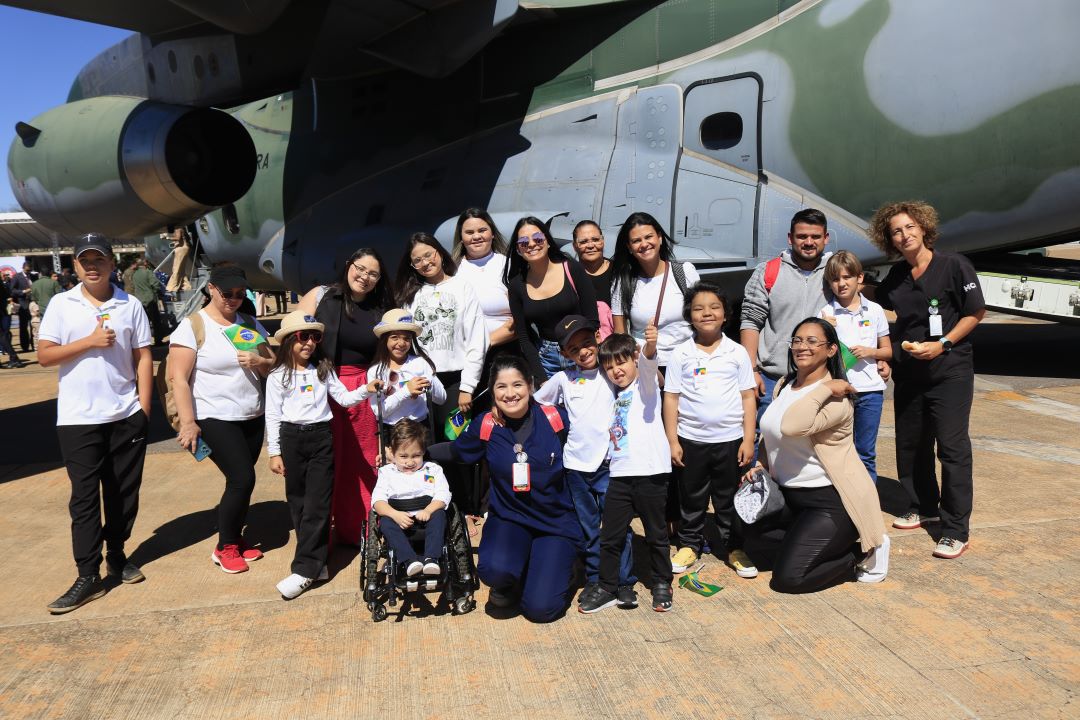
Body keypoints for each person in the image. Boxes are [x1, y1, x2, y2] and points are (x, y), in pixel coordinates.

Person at [37, 234, 153, 613]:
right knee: (84, 499)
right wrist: (88, 341)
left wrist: (144, 410)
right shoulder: (61, 304)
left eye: (98, 259)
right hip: (77, 418)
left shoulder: (130, 304)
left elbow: (143, 358)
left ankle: (117, 555)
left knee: (122, 494)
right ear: (74, 266)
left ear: (111, 264)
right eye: (84, 260)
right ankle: (87, 574)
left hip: (124, 414)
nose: (92, 266)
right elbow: (44, 356)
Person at [869, 201, 985, 559]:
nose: (904, 236)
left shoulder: (953, 265)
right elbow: (877, 299)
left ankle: (955, 528)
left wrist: (943, 344)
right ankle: (923, 505)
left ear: (923, 227)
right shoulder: (899, 276)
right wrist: (844, 282)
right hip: (910, 371)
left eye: (909, 228)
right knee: (911, 444)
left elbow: (975, 312)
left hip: (949, 370)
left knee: (951, 448)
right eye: (896, 232)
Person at [429, 355, 581, 622]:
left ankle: (562, 567)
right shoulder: (487, 425)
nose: (510, 394)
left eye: (517, 385)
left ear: (530, 386)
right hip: (510, 520)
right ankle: (514, 579)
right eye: (502, 387)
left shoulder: (555, 419)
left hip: (555, 523)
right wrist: (415, 455)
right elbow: (455, 451)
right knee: (494, 570)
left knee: (540, 610)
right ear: (492, 391)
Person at [744, 318, 889, 593]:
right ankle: (814, 542)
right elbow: (772, 430)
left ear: (831, 350)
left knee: (788, 579)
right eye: (797, 340)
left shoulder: (837, 397)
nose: (802, 347)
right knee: (749, 530)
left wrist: (824, 388)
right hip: (790, 497)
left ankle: (858, 556)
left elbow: (792, 426)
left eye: (812, 342)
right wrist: (761, 463)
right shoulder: (785, 384)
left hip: (830, 503)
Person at [169, 264, 275, 574]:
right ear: (211, 289)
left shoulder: (249, 324)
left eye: (240, 294)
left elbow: (271, 364)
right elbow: (179, 378)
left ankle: (236, 540)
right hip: (213, 416)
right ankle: (225, 546)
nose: (233, 299)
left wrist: (260, 360)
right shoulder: (193, 326)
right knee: (243, 478)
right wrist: (188, 422)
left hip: (252, 415)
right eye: (227, 293)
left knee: (239, 481)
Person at [265, 311, 378, 598]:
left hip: (320, 438)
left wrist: (365, 389)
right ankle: (318, 561)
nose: (310, 343)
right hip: (292, 439)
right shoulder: (278, 375)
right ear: (289, 340)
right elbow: (273, 416)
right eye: (303, 337)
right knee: (299, 503)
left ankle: (304, 569)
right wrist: (274, 451)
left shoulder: (323, 370)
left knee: (318, 503)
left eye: (315, 337)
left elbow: (343, 399)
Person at [535, 315, 636, 608]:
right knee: (589, 530)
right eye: (574, 347)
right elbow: (538, 403)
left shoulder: (611, 373)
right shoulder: (562, 379)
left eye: (587, 342)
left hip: (610, 465)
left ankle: (625, 581)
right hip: (576, 469)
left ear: (598, 339)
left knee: (619, 527)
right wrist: (557, 422)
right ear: (564, 353)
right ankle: (596, 580)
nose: (583, 350)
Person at [297, 248, 394, 545]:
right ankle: (320, 536)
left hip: (362, 388)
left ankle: (361, 530)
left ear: (379, 280)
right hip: (323, 383)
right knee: (326, 462)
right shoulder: (321, 295)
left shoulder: (381, 308)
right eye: (360, 268)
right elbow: (294, 335)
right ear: (348, 265)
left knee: (363, 461)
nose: (364, 277)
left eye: (373, 273)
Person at [664, 282, 758, 579]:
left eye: (714, 307)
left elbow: (747, 396)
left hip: (730, 441)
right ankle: (689, 543)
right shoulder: (681, 354)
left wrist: (747, 438)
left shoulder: (737, 352)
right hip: (690, 439)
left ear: (726, 314)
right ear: (689, 315)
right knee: (691, 498)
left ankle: (734, 547)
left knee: (729, 497)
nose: (707, 313)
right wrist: (671, 440)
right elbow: (672, 398)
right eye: (698, 308)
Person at [580, 329, 675, 614]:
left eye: (621, 363)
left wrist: (650, 346)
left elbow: (648, 364)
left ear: (633, 359)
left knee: (656, 533)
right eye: (609, 367)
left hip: (650, 473)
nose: (615, 371)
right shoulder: (615, 396)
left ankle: (661, 583)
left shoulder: (646, 388)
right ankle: (608, 586)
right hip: (619, 475)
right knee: (611, 536)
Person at [740, 209, 833, 421]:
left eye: (816, 236)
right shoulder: (768, 271)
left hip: (820, 379)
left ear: (826, 238)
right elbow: (750, 321)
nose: (809, 242)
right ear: (790, 238)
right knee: (763, 442)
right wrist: (751, 371)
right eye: (802, 236)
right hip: (772, 379)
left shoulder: (836, 273)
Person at [397, 231, 487, 419]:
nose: (425, 262)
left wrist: (467, 387)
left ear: (439, 252)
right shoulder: (409, 296)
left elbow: (477, 340)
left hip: (456, 380)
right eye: (417, 260)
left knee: (454, 441)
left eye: (429, 255)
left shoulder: (462, 287)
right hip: (422, 380)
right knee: (427, 442)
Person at [819, 251, 892, 483]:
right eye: (835, 279)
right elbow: (816, 355)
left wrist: (872, 352)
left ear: (859, 278)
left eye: (847, 277)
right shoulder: (825, 313)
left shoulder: (875, 310)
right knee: (836, 451)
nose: (842, 284)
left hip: (870, 392)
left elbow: (888, 350)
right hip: (838, 391)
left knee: (865, 453)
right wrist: (824, 329)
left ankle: (866, 504)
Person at [504, 216, 599, 382]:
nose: (532, 244)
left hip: (582, 352)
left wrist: (583, 351)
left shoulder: (571, 268)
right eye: (524, 242)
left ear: (547, 241)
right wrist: (541, 377)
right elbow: (524, 336)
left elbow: (592, 318)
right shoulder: (516, 285)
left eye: (538, 238)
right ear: (518, 249)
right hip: (547, 359)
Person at [610, 212, 701, 372]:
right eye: (636, 241)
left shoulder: (684, 272)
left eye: (648, 237)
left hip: (689, 362)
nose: (644, 244)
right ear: (629, 247)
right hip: (648, 367)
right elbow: (620, 333)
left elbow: (703, 315)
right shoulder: (623, 282)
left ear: (659, 238)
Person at [372, 420, 452, 578]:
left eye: (416, 455)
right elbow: (378, 501)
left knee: (440, 514)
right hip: (398, 517)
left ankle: (432, 559)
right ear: (392, 454)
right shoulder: (387, 473)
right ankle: (409, 560)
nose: (410, 462)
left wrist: (429, 510)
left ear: (423, 452)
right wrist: (395, 515)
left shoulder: (432, 470)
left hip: (427, 515)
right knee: (385, 522)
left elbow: (443, 494)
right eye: (403, 456)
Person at [451, 208, 517, 386]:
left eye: (482, 230)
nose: (476, 236)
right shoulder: (452, 271)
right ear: (461, 237)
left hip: (506, 354)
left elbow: (519, 318)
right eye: (469, 232)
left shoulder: (509, 265)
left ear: (492, 233)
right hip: (464, 359)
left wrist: (483, 344)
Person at [368, 308, 445, 444]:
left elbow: (441, 399)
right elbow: (379, 412)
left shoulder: (420, 363)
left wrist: (430, 380)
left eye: (407, 338)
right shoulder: (375, 371)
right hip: (391, 432)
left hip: (420, 428)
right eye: (394, 337)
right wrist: (406, 391)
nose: (401, 343)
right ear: (385, 339)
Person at [570, 220, 614, 340]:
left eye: (595, 239)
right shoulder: (569, 276)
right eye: (583, 242)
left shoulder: (619, 272)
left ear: (602, 241)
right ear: (574, 246)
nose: (590, 245)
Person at [130, 259, 163, 345]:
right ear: (145, 264)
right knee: (156, 321)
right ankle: (158, 340)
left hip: (139, 300)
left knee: (143, 323)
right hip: (150, 299)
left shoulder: (134, 274)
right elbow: (155, 284)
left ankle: (144, 342)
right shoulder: (148, 272)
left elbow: (133, 286)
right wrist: (157, 292)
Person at [0, 273, 23, 368]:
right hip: (4, 313)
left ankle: (14, 358)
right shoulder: (2, 285)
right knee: (4, 335)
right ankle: (14, 358)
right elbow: (8, 297)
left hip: (3, 313)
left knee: (3, 336)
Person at [10, 261, 33, 351]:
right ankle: (25, 346)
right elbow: (12, 290)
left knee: (33, 325)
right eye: (27, 270)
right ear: (23, 268)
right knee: (23, 326)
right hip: (23, 304)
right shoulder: (17, 276)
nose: (28, 272)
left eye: (29, 270)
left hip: (32, 303)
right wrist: (23, 291)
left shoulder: (33, 276)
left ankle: (33, 345)